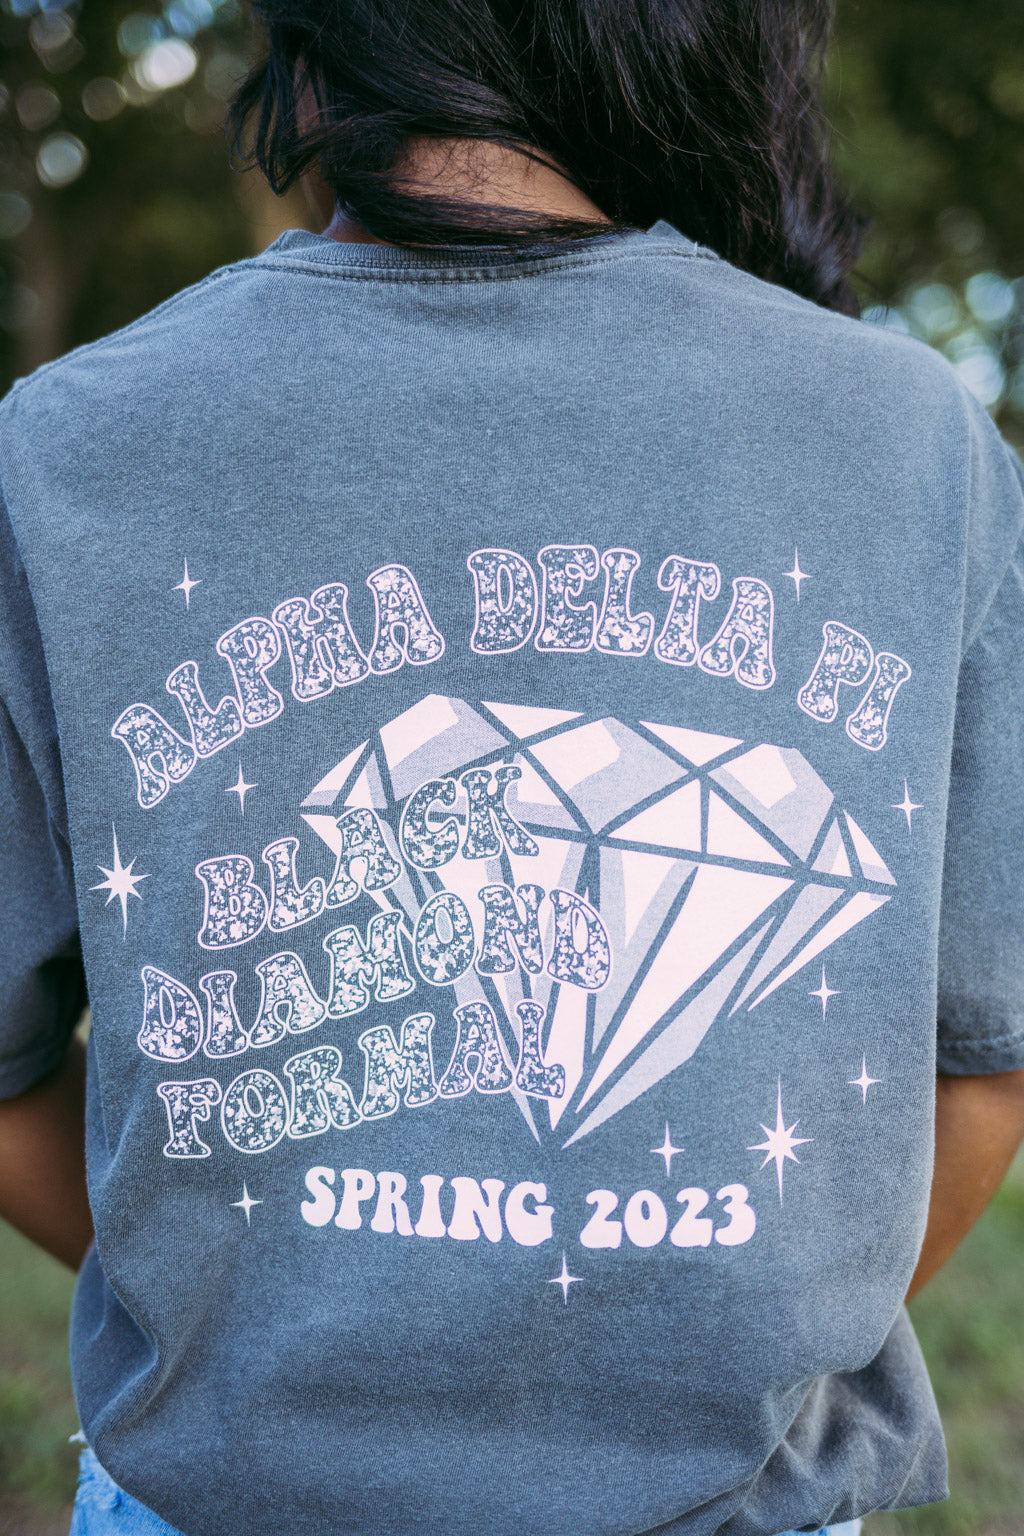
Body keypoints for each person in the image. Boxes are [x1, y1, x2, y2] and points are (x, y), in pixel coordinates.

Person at [2, 0, 1024, 1532]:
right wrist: (700, 1355)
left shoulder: (65, 445)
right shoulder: (917, 441)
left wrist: (255, 1303)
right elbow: (985, 1076)